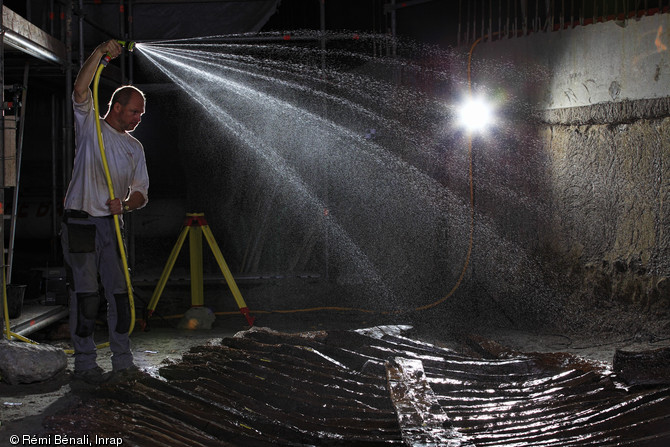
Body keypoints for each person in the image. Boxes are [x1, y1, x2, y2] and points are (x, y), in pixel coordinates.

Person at [61, 40, 149, 384]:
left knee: (119, 294)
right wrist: (100, 53)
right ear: (115, 107)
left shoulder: (134, 147)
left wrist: (125, 204)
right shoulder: (90, 127)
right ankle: (84, 364)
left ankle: (122, 360)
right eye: (133, 112)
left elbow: (141, 193)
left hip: (112, 224)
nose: (138, 118)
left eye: (141, 113)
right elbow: (81, 88)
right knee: (85, 295)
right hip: (80, 220)